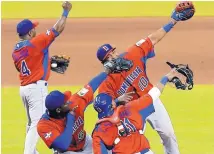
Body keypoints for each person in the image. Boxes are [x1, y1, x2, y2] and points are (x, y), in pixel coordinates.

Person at [96, 3, 194, 154]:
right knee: (133, 143)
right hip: (131, 112)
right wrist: (117, 101)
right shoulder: (106, 83)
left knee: (168, 134)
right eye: (110, 56)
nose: (114, 55)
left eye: (113, 52)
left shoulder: (132, 54)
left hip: (151, 99)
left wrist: (172, 21)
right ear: (105, 62)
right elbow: (102, 107)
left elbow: (153, 39)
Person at [11, 2, 72, 154]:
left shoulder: (16, 51)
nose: (36, 31)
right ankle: (29, 152)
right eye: (34, 29)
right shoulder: (36, 42)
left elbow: (22, 67)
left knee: (31, 122)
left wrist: (48, 65)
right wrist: (65, 12)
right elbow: (57, 29)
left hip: (24, 89)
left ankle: (32, 151)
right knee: (37, 122)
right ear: (30, 32)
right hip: (36, 89)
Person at [37, 60, 130, 153]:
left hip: (86, 143)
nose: (68, 102)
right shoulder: (44, 126)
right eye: (65, 103)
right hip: (68, 151)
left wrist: (106, 71)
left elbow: (90, 86)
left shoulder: (74, 102)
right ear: (58, 110)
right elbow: (63, 145)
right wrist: (70, 119)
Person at [92, 69, 182, 154]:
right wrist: (166, 78)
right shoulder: (131, 108)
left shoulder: (98, 132)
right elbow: (154, 93)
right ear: (112, 105)